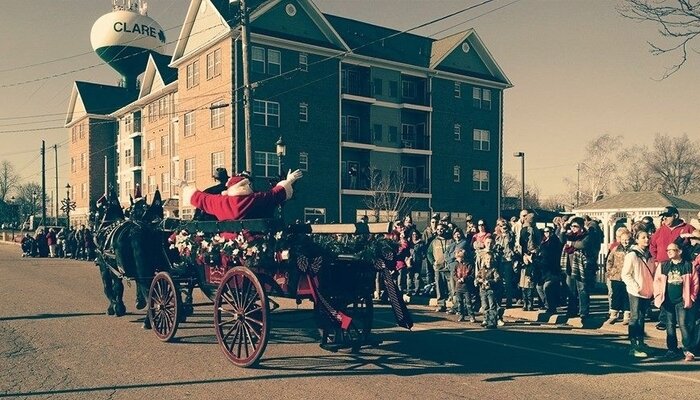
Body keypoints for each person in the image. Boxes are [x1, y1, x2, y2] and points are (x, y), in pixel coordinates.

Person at [184, 169, 303, 221]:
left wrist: (184, 186)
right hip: (254, 238)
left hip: (228, 240)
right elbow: (275, 194)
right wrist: (289, 180)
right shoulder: (255, 198)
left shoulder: (220, 201)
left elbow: (202, 199)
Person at [649, 206, 695, 330]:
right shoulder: (660, 231)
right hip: (664, 266)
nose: (664, 218)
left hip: (681, 265)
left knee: (680, 292)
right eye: (663, 217)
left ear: (675, 216)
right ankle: (664, 320)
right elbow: (652, 246)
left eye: (667, 216)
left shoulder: (687, 228)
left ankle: (684, 320)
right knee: (665, 292)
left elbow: (696, 242)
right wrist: (657, 259)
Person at [653, 243, 699, 361]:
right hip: (667, 301)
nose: (668, 252)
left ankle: (688, 350)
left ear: (679, 251)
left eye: (672, 250)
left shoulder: (688, 266)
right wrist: (658, 296)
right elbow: (657, 282)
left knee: (684, 324)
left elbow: (695, 283)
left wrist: (691, 297)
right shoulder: (664, 266)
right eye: (667, 250)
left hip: (682, 301)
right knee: (670, 325)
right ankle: (672, 349)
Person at [621, 229, 655, 358]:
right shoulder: (632, 255)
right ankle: (633, 345)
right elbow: (625, 274)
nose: (646, 240)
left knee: (641, 318)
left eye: (647, 237)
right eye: (643, 237)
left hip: (646, 292)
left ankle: (641, 343)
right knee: (635, 317)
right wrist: (636, 287)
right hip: (636, 291)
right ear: (636, 239)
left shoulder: (649, 255)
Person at [560, 217, 595, 323]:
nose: (573, 228)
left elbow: (582, 245)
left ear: (581, 227)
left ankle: (584, 312)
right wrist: (562, 229)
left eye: (576, 226)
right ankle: (572, 310)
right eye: (572, 226)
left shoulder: (586, 236)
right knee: (571, 290)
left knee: (582, 289)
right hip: (570, 266)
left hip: (581, 267)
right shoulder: (569, 236)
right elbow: (561, 240)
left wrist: (572, 244)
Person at [605, 230, 632, 325]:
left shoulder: (633, 249)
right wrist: (610, 272)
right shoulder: (616, 249)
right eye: (624, 240)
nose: (626, 242)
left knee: (627, 297)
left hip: (628, 278)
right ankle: (613, 315)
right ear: (620, 240)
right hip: (616, 277)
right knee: (615, 296)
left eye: (628, 240)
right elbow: (609, 260)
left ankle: (627, 316)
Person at [426, 223, 453, 312]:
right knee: (439, 286)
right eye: (438, 229)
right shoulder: (434, 242)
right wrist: (433, 262)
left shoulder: (450, 241)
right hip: (438, 267)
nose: (440, 231)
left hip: (449, 268)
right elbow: (429, 253)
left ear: (445, 229)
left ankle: (454, 305)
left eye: (441, 229)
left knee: (451, 287)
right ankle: (441, 304)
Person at [536, 225, 562, 314]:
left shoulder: (554, 241)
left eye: (548, 231)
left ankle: (552, 307)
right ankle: (547, 304)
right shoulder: (543, 241)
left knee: (547, 287)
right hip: (543, 269)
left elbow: (549, 254)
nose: (546, 233)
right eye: (545, 231)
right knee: (539, 287)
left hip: (552, 269)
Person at [493, 218, 516, 308]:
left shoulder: (510, 234)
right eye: (501, 225)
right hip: (498, 260)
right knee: (498, 281)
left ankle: (509, 301)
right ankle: (498, 301)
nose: (503, 227)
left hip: (508, 260)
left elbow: (511, 244)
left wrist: (505, 234)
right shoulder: (495, 236)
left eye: (504, 225)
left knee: (508, 281)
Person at [476, 251, 501, 328]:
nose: (488, 261)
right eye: (487, 259)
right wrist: (478, 280)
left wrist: (489, 281)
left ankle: (492, 322)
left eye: (490, 259)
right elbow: (478, 277)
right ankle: (486, 319)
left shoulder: (494, 269)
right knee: (485, 306)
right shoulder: (482, 269)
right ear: (484, 260)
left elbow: (497, 279)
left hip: (491, 290)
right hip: (483, 290)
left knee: (492, 306)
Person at [453, 248, 476, 322]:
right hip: (458, 286)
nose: (458, 259)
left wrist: (464, 279)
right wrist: (457, 279)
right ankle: (461, 315)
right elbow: (454, 274)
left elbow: (472, 275)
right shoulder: (456, 265)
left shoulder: (469, 265)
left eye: (459, 257)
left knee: (468, 302)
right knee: (459, 302)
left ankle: (471, 315)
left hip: (467, 287)